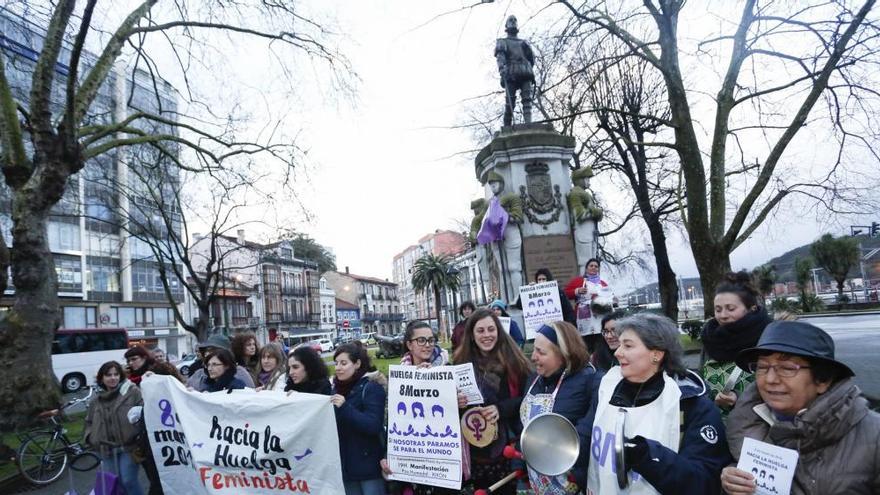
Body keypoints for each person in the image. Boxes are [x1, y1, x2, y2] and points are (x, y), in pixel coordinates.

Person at [721, 321, 880, 494]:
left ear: (823, 380)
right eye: (762, 367)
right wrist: (732, 481)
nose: (770, 379)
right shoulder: (744, 424)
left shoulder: (874, 436)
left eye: (787, 368)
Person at [585, 313, 730, 494]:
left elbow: (703, 481)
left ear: (656, 354)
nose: (617, 352)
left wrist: (650, 456)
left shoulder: (691, 404)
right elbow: (587, 433)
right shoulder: (609, 385)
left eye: (628, 345)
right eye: (620, 344)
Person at [453, 308, 531, 495]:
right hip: (475, 452)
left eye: (491, 329)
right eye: (480, 331)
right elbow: (447, 406)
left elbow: (529, 399)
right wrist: (456, 402)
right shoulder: (459, 364)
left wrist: (500, 409)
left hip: (506, 449)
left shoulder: (516, 362)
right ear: (471, 335)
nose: (487, 335)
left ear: (498, 331)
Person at [381, 320, 459, 495]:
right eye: (421, 340)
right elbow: (393, 420)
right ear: (409, 344)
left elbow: (457, 412)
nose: (428, 345)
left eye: (431, 340)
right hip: (412, 461)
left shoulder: (448, 370)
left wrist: (455, 397)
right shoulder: (398, 377)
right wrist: (388, 455)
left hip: (442, 461)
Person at [523, 321, 602, 493]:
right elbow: (525, 424)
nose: (533, 357)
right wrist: (522, 457)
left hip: (571, 481)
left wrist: (565, 461)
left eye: (541, 352)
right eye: (534, 349)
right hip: (538, 481)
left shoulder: (588, 382)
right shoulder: (534, 379)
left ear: (563, 355)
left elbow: (588, 432)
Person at [699, 271, 773, 416]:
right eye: (718, 309)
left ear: (751, 308)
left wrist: (739, 399)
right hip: (715, 426)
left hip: (755, 426)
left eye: (730, 309)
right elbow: (701, 383)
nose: (723, 315)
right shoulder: (710, 338)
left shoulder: (769, 337)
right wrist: (711, 398)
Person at [331, 342, 387, 495]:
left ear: (357, 364)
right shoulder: (334, 389)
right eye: (336, 363)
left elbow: (373, 425)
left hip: (368, 466)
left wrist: (345, 407)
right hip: (346, 466)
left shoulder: (371, 388)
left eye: (343, 363)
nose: (338, 368)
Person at [84, 361, 145, 495]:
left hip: (129, 447)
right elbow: (88, 422)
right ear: (101, 378)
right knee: (115, 484)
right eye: (108, 375)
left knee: (128, 480)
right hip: (105, 450)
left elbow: (144, 413)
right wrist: (90, 438)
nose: (113, 378)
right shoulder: (96, 400)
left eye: (116, 374)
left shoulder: (132, 392)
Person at [564, 258, 616, 353]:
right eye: (591, 266)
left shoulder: (603, 283)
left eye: (596, 266)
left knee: (601, 339)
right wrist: (577, 291)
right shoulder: (578, 281)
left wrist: (613, 300)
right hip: (585, 318)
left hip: (600, 316)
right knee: (587, 342)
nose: (593, 268)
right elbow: (565, 293)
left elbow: (610, 297)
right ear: (586, 268)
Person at [495, 15, 535, 126]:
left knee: (527, 100)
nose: (513, 22)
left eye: (515, 20)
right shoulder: (503, 41)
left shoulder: (524, 43)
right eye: (510, 20)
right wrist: (501, 68)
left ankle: (529, 125)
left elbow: (531, 59)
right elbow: (500, 56)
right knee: (510, 103)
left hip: (525, 72)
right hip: (511, 73)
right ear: (506, 25)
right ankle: (507, 126)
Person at [186, 335, 255, 391]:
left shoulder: (239, 373)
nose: (207, 354)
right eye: (206, 350)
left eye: (213, 350)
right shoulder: (198, 374)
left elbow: (248, 397)